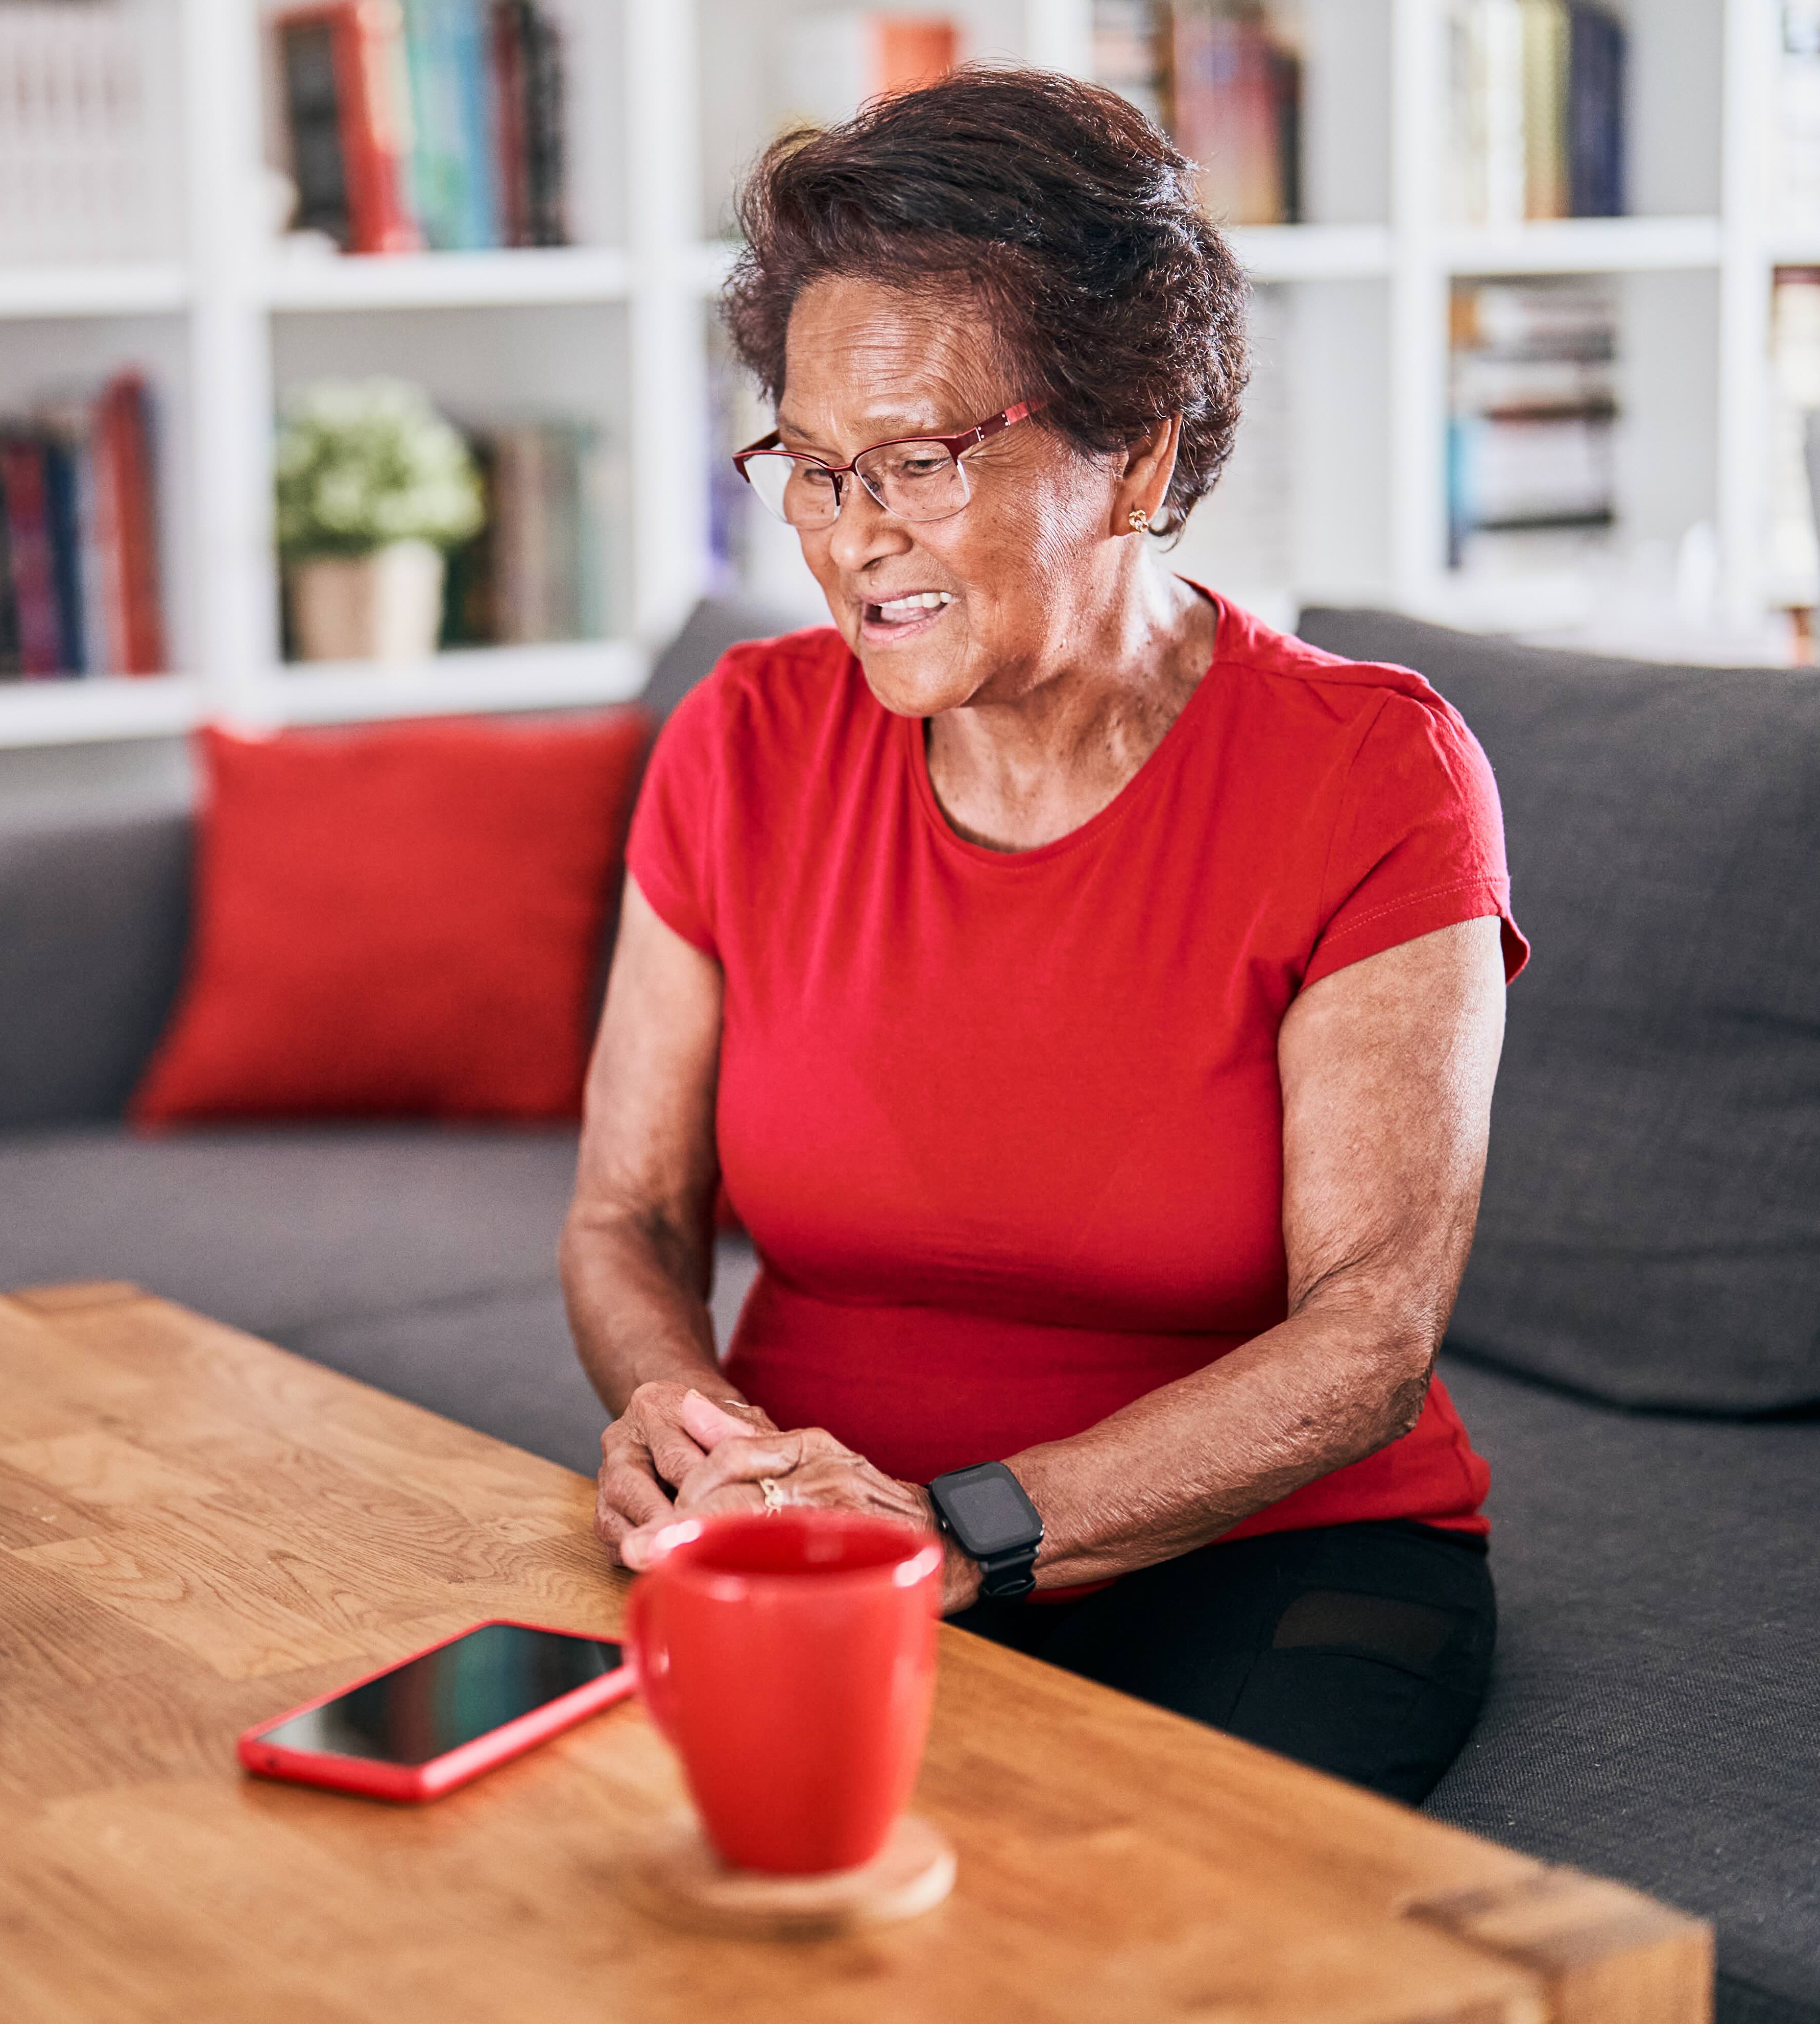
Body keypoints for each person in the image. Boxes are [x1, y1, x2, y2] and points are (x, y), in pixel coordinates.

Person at [561, 68, 1523, 1803]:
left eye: (919, 460)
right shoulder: (743, 739)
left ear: (1137, 447)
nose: (854, 539)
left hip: (1268, 1559)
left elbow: (1371, 1337)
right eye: (813, 464)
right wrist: (688, 1428)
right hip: (814, 1533)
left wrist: (958, 1529)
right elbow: (628, 1215)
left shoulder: (1376, 773)